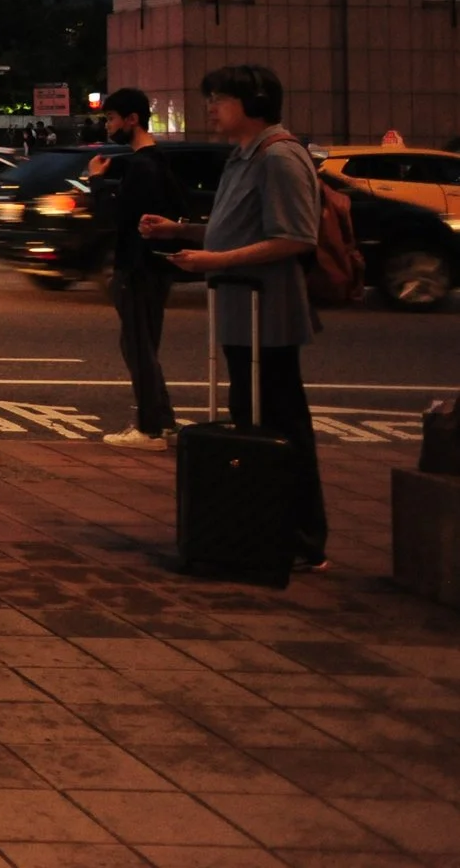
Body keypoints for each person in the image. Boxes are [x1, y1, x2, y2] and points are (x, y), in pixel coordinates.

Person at [140, 63, 328, 570]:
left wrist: (215, 262)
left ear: (254, 103)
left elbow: (295, 237)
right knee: (251, 422)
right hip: (239, 312)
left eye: (220, 99)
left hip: (268, 314)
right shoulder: (244, 158)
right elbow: (236, 228)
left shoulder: (280, 158)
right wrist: (179, 232)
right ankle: (265, 525)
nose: (211, 108)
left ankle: (305, 537)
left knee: (282, 423)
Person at [92, 87, 181, 448]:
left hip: (138, 268)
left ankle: (150, 427)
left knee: (137, 346)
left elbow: (117, 218)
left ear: (132, 119)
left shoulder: (142, 166)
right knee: (142, 345)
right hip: (155, 268)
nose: (108, 127)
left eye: (111, 119)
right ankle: (162, 419)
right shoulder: (158, 162)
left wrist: (97, 182)